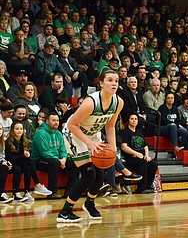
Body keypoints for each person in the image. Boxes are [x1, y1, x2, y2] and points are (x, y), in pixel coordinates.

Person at [57, 69, 123, 222]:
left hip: (92, 135)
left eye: (116, 80)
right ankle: (65, 212)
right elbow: (72, 124)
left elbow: (110, 127)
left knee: (100, 174)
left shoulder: (118, 102)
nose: (114, 83)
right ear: (101, 83)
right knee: (88, 174)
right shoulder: (90, 102)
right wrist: (89, 143)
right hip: (74, 134)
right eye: (110, 80)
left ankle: (89, 203)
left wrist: (113, 149)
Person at [32, 112, 79, 199]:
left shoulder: (58, 133)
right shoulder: (40, 133)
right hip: (39, 160)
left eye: (57, 120)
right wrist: (59, 160)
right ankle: (52, 192)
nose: (56, 122)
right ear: (47, 121)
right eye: (53, 120)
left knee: (74, 163)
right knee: (53, 162)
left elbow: (63, 149)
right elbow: (44, 152)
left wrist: (64, 159)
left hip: (56, 159)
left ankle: (70, 191)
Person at [5, 122, 52, 201]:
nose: (19, 131)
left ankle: (27, 191)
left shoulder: (25, 141)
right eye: (17, 129)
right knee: (27, 163)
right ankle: (36, 185)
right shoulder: (8, 142)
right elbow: (10, 158)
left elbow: (28, 153)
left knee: (28, 167)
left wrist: (27, 154)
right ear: (12, 130)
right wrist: (24, 156)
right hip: (11, 163)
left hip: (21, 162)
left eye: (21, 129)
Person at [120, 113, 158, 194]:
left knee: (153, 164)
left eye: (136, 119)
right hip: (129, 158)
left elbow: (145, 146)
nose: (134, 121)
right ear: (128, 121)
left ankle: (149, 186)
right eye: (132, 119)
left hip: (141, 157)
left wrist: (147, 155)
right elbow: (124, 146)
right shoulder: (125, 132)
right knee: (143, 163)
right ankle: (141, 188)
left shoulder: (139, 132)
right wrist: (136, 153)